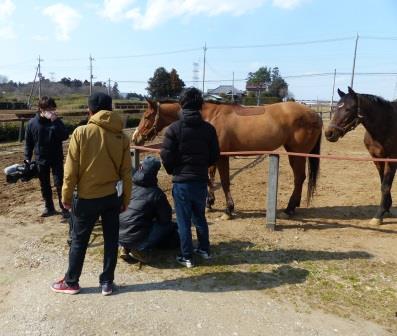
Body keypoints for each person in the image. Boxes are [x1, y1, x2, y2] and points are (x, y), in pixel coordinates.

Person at [51, 92, 132, 296]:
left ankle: (71, 282)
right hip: (112, 197)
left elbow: (70, 171)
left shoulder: (81, 132)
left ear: (90, 110)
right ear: (110, 109)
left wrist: (66, 197)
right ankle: (107, 282)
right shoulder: (121, 136)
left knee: (79, 240)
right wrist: (126, 199)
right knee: (112, 239)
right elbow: (126, 172)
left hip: (86, 198)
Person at [160, 87, 220, 268]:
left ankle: (186, 256)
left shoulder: (173, 129)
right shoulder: (209, 129)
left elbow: (166, 155)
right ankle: (204, 249)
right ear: (200, 106)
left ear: (181, 104)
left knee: (183, 220)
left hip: (181, 181)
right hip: (200, 180)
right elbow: (214, 155)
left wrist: (173, 170)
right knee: (199, 216)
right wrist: (203, 166)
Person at [119, 156, 179, 263]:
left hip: (118, 233)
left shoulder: (129, 185)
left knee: (135, 223)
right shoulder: (156, 193)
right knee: (167, 226)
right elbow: (165, 219)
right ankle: (139, 249)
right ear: (155, 173)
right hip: (136, 235)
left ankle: (124, 246)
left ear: (140, 168)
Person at [24, 96, 69, 218]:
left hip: (56, 157)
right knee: (44, 184)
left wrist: (55, 121)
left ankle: (65, 208)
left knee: (59, 183)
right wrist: (27, 158)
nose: (51, 111)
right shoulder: (32, 123)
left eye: (53, 108)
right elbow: (28, 142)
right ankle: (49, 207)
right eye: (48, 108)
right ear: (41, 109)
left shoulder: (56, 121)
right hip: (40, 159)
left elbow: (64, 135)